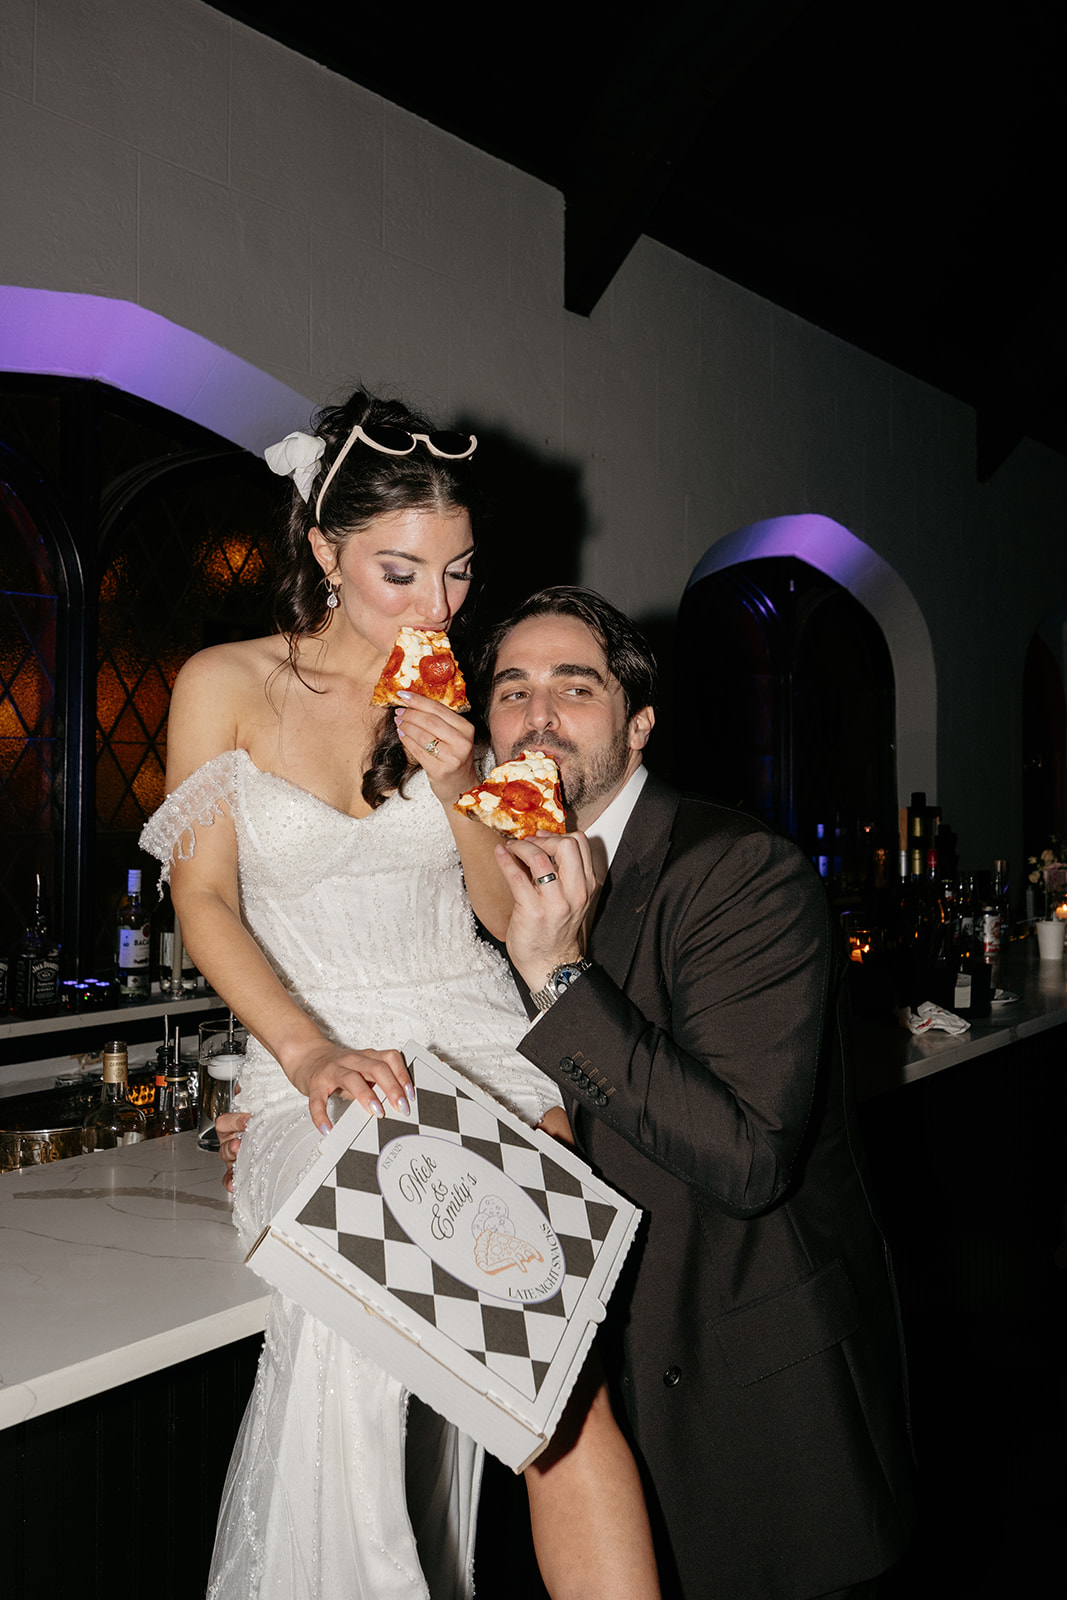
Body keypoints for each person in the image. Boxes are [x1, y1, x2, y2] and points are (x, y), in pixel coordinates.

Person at [140, 398, 658, 1600]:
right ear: (321, 551)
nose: (435, 606)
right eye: (400, 572)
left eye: (457, 572)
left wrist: (461, 771)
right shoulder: (222, 683)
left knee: (548, 1379)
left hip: (481, 1038)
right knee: (356, 1341)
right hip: (309, 1049)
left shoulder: (454, 697)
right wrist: (312, 1053)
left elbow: (495, 908)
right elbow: (203, 901)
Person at [471, 586, 916, 1600]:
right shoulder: (489, 881)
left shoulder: (738, 870)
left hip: (739, 1402)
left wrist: (560, 980)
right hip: (571, 1385)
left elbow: (747, 1156)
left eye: (571, 686)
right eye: (511, 689)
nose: (536, 714)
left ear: (637, 725)